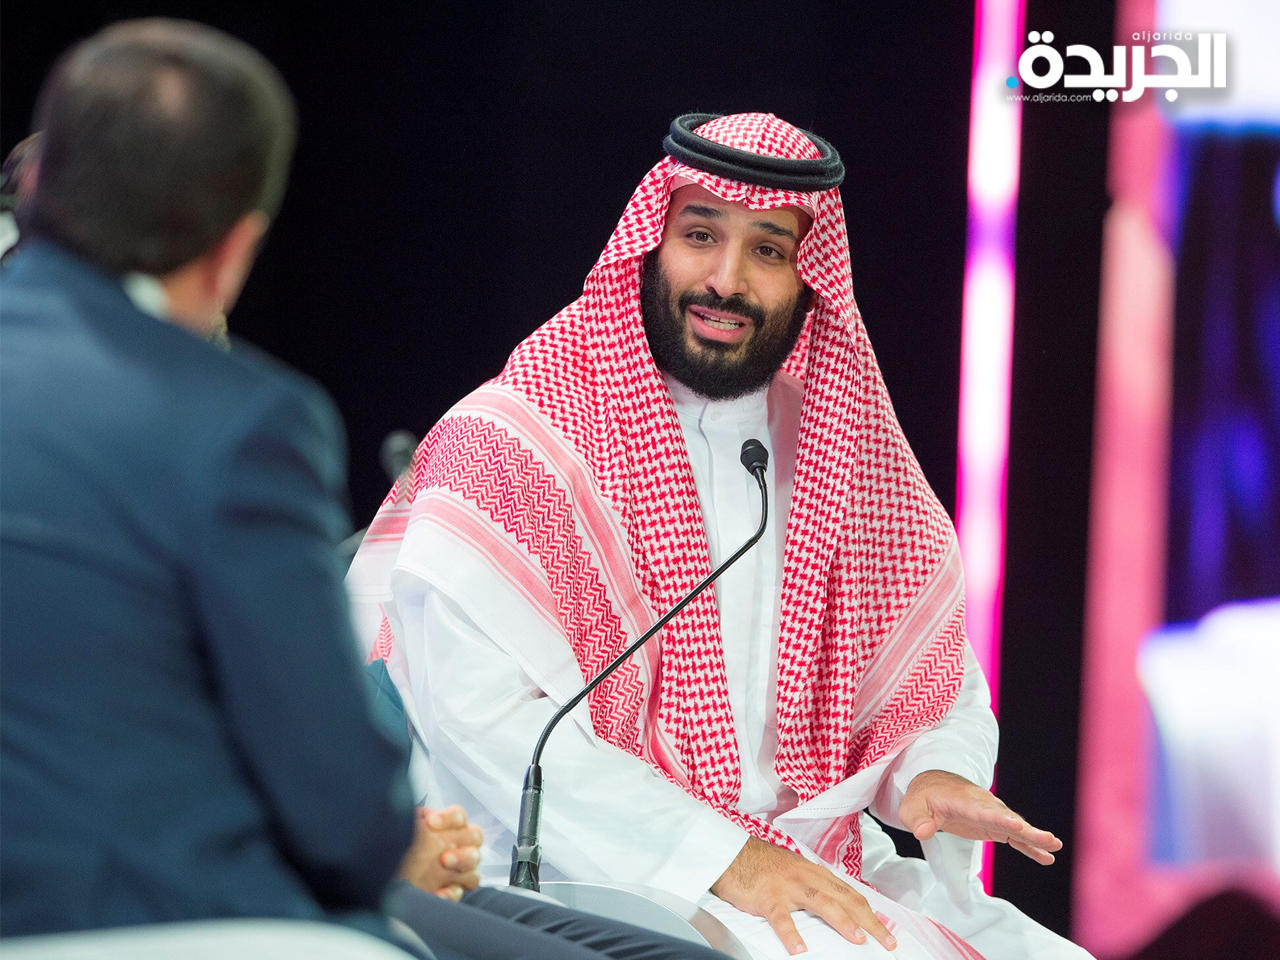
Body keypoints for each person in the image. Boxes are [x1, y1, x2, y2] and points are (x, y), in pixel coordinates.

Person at [0, 20, 731, 960]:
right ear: (234, 248)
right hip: (165, 909)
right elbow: (339, 803)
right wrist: (389, 847)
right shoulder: (234, 423)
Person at [347, 113, 1096, 959]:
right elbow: (483, 720)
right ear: (651, 244)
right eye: (700, 235)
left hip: (806, 852)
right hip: (580, 866)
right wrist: (721, 856)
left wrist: (929, 767)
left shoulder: (834, 447)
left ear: (809, 278)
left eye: (768, 250)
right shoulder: (514, 441)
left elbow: (927, 677)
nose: (726, 281)